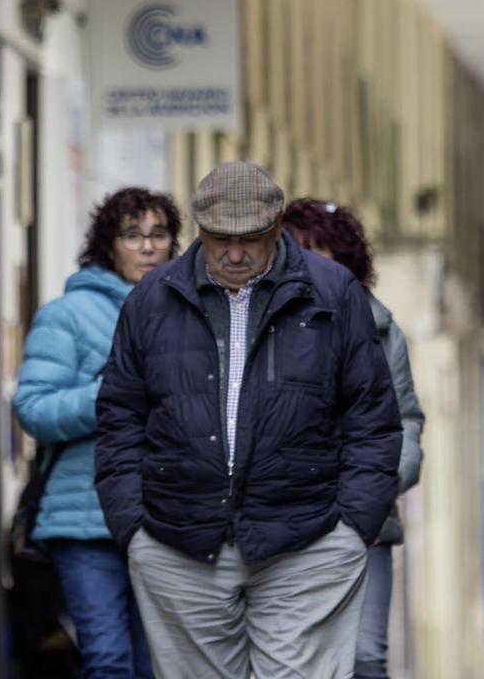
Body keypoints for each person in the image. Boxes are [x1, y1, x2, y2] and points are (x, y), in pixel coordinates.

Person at [94, 161, 403, 677]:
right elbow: (121, 417)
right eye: (220, 239)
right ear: (199, 228)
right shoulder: (151, 299)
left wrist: (353, 526)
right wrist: (134, 527)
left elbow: (372, 417)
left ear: (277, 226)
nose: (234, 254)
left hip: (308, 541)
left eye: (250, 239)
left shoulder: (334, 292)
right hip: (178, 542)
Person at [13, 188, 181, 678]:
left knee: (156, 663)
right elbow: (34, 408)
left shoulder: (187, 312)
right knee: (107, 657)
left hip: (166, 515)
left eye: (159, 235)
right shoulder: (66, 314)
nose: (147, 247)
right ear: (109, 245)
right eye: (132, 235)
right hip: (85, 517)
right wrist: (113, 392)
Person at [279, 197, 427, 679]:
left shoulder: (382, 330)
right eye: (299, 251)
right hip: (287, 522)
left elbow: (406, 421)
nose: (311, 265)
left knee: (365, 658)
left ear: (347, 261)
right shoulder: (264, 326)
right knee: (300, 661)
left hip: (367, 523)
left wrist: (377, 485)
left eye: (322, 253)